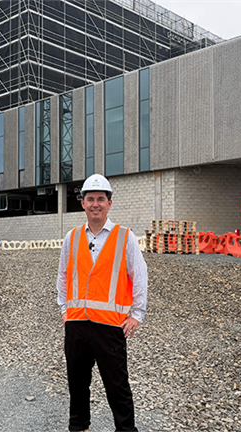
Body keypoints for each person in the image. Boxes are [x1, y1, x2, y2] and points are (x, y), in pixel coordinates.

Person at [56, 174, 148, 432]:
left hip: (110, 326)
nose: (95, 204)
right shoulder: (71, 237)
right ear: (83, 203)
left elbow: (139, 275)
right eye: (90, 199)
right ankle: (79, 428)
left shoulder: (124, 237)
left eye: (100, 199)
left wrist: (137, 314)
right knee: (77, 383)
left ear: (109, 203)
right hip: (76, 325)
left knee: (117, 385)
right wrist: (64, 309)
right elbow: (63, 275)